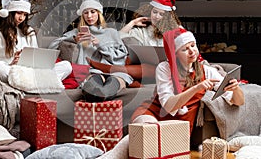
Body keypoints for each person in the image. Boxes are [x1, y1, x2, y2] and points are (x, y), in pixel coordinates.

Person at [96, 28, 244, 159]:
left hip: (179, 126)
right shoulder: (164, 68)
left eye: (193, 46)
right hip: (152, 113)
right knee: (147, 134)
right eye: (185, 49)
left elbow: (238, 102)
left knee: (157, 145)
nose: (192, 51)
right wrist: (196, 88)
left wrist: (236, 89)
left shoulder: (207, 71)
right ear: (175, 54)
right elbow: (168, 104)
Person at [48, 0, 133, 102]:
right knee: (93, 90)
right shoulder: (76, 32)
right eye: (86, 13)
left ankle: (100, 111)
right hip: (92, 72)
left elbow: (120, 58)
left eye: (93, 12)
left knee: (110, 87)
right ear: (82, 15)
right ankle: (97, 111)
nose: (89, 16)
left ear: (99, 13)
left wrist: (100, 44)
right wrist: (73, 39)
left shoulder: (111, 32)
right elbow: (52, 46)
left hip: (114, 72)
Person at [88, 0, 182, 83]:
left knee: (151, 68)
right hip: (145, 68)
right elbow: (118, 37)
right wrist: (133, 23)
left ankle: (107, 69)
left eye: (161, 14)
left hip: (168, 68)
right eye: (155, 12)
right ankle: (113, 71)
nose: (156, 16)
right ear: (150, 12)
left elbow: (186, 46)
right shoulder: (142, 31)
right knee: (143, 66)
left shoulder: (175, 32)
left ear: (167, 17)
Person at [0, 0, 72, 84]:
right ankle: (40, 83)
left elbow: (35, 58)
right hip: (9, 71)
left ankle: (32, 84)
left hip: (29, 72)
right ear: (8, 13)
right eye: (19, 13)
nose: (21, 18)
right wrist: (11, 63)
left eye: (24, 14)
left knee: (67, 66)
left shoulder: (28, 31)